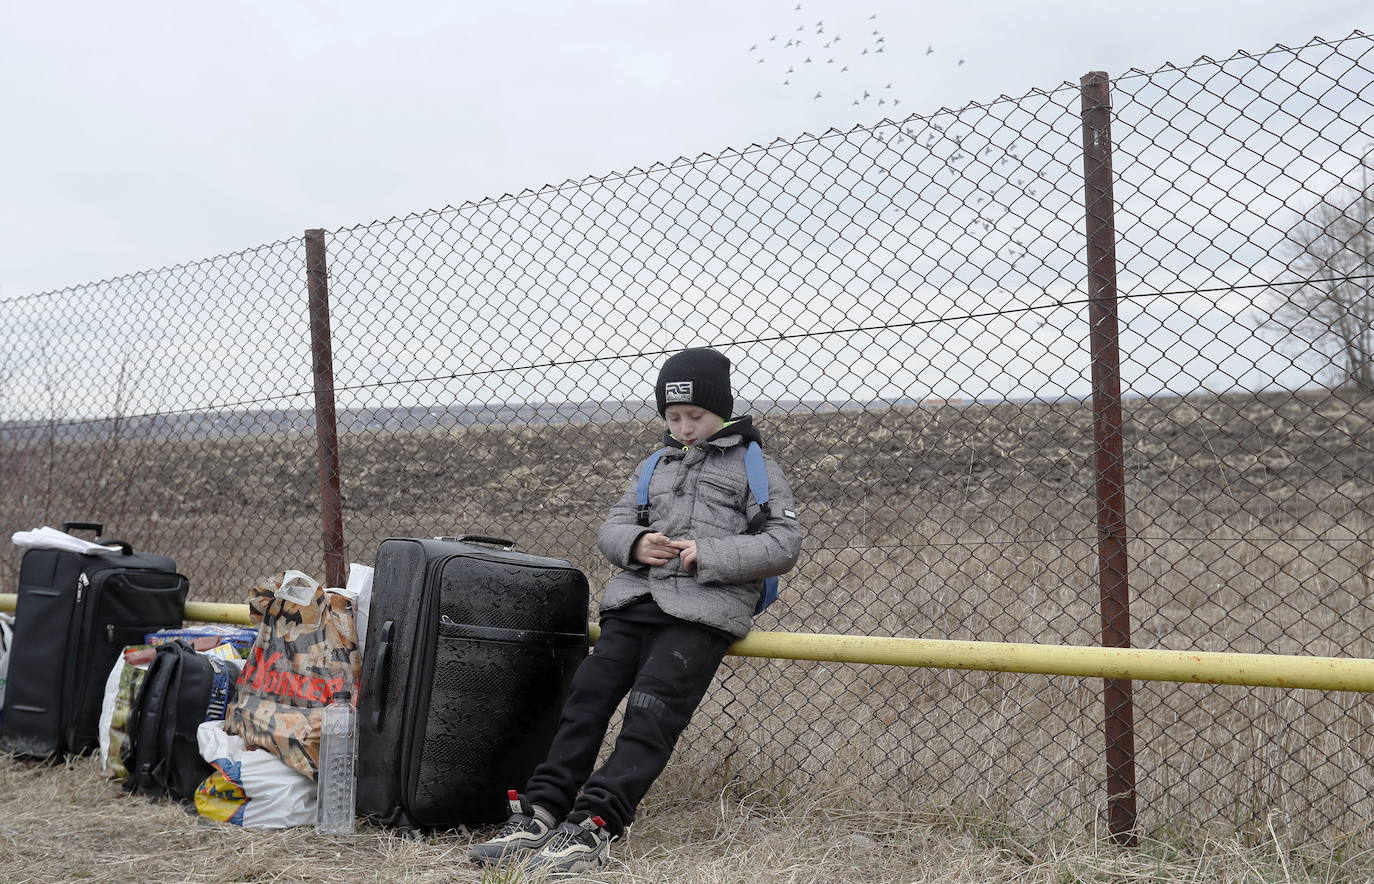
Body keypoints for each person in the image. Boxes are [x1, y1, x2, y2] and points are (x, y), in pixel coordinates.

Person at [470, 347, 803, 875]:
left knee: (651, 714)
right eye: (673, 417)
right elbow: (614, 525)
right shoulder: (655, 465)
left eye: (695, 416)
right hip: (636, 604)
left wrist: (710, 553)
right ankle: (542, 808)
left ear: (724, 411)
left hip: (702, 613)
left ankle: (596, 822)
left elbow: (784, 542)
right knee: (585, 700)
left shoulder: (755, 467)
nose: (684, 427)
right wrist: (636, 543)